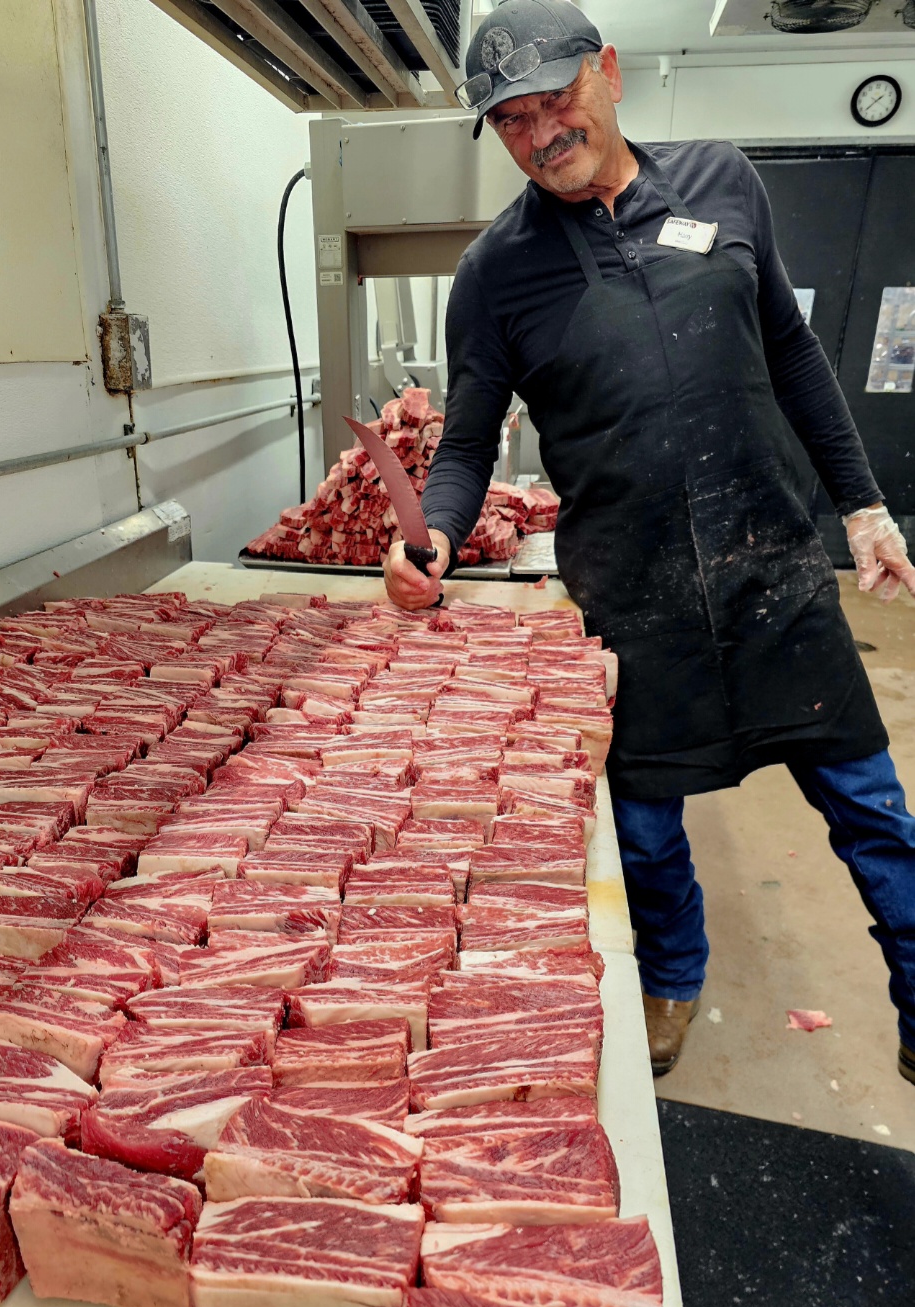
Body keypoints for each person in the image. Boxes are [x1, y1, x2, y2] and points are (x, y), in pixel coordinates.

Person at [382, 0, 915, 1081]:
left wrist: (862, 506)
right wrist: (431, 533)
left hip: (774, 573)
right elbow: (467, 441)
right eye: (512, 121)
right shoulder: (494, 271)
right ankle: (670, 978)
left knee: (873, 812)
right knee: (643, 828)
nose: (541, 134)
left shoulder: (722, 182)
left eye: (556, 101)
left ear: (609, 71)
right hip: (632, 600)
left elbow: (794, 354)